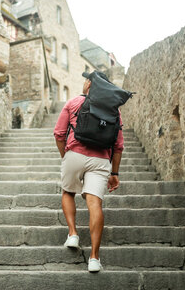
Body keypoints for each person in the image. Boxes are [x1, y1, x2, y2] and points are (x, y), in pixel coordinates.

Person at [53, 71, 124, 273]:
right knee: (95, 204)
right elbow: (118, 146)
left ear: (89, 84)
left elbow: (58, 133)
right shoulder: (114, 110)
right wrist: (115, 173)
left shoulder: (74, 102)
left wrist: (65, 156)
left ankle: (73, 234)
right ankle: (94, 257)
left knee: (68, 192)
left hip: (74, 153)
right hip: (101, 160)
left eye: (86, 80)